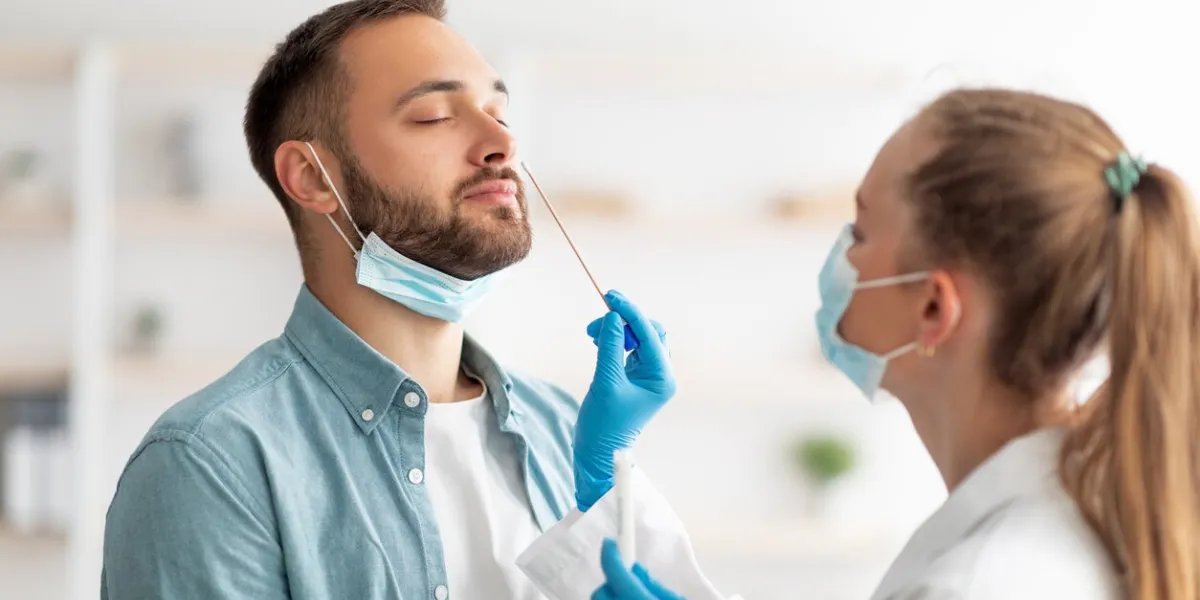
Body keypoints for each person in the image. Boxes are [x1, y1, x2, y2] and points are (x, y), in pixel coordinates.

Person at [516, 87, 1200, 600]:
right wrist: (610, 482)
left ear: (934, 307)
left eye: (863, 232)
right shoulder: (1079, 513)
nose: (842, 256)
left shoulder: (980, 581)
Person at [99, 1, 665, 598]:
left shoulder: (567, 432)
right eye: (434, 116)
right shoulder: (210, 465)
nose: (503, 142)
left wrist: (608, 493)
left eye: (499, 111)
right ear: (314, 177)